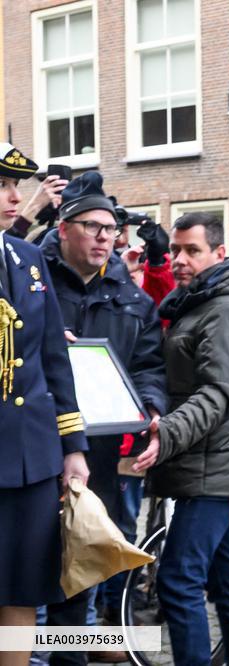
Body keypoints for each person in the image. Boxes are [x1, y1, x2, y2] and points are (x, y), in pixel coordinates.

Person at [132, 212, 229, 666]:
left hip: (215, 465)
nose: (179, 259)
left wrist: (168, 432)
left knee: (178, 581)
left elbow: (217, 393)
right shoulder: (197, 303)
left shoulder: (227, 310)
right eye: (175, 249)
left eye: (192, 250)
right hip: (209, 460)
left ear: (219, 253)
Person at [40, 171, 167, 665]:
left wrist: (151, 408)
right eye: (91, 226)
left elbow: (149, 365)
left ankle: (77, 651)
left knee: (84, 565)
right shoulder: (31, 281)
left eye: (110, 228)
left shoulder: (132, 299)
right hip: (36, 446)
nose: (103, 237)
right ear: (64, 228)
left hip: (99, 453)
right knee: (29, 568)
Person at [0, 143, 89, 666]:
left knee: (22, 587)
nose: (15, 197)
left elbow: (54, 357)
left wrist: (72, 447)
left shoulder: (28, 258)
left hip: (32, 458)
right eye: (2, 187)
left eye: (15, 186)